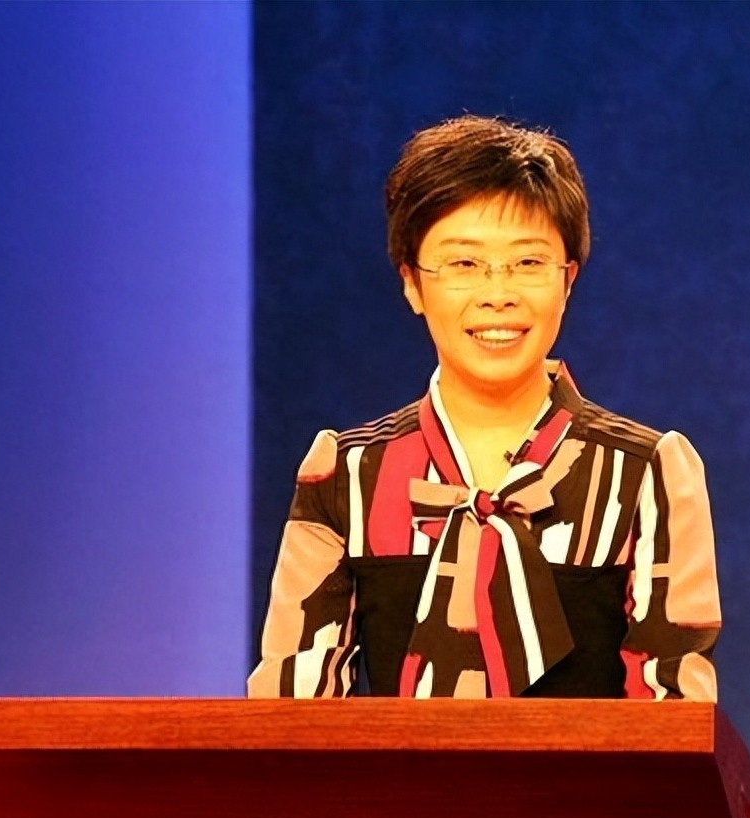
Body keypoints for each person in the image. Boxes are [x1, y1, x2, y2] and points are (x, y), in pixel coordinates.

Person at [248, 115, 720, 699]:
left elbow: (675, 723)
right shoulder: (345, 476)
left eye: (528, 263)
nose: (498, 294)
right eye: (464, 265)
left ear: (568, 280)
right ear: (412, 283)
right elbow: (294, 714)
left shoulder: (646, 473)